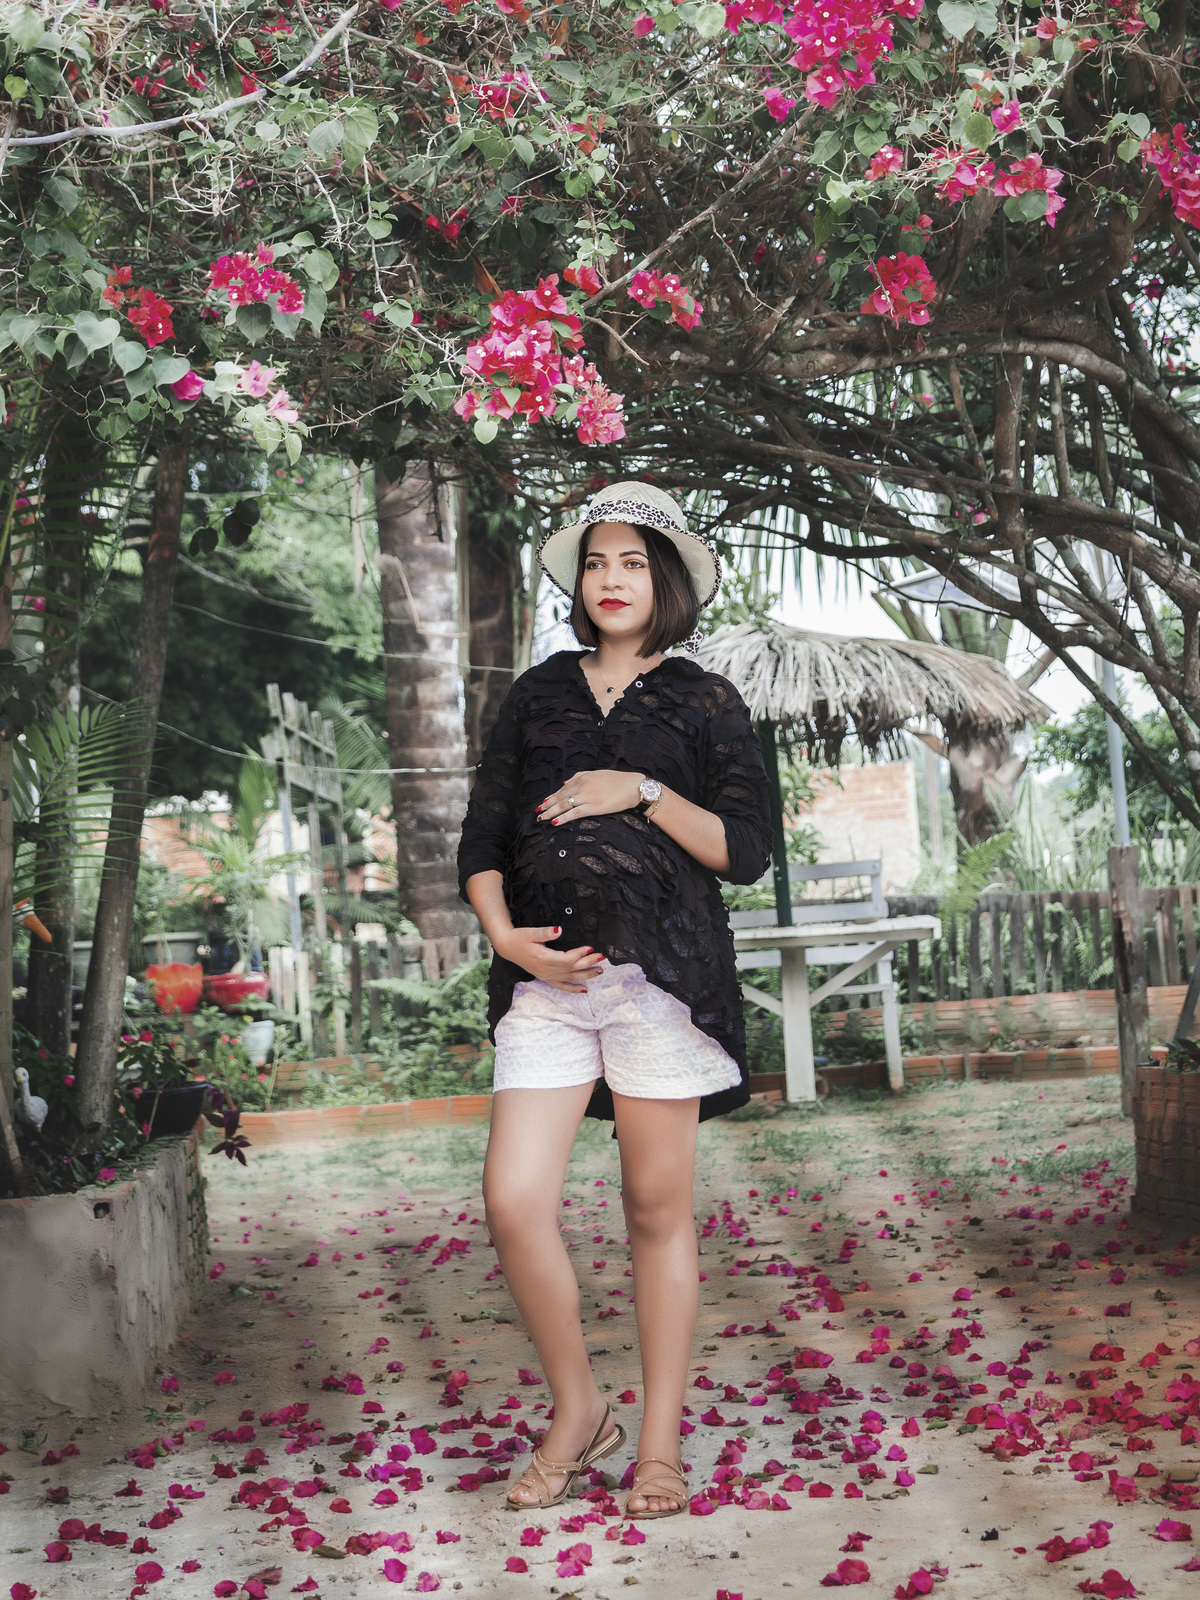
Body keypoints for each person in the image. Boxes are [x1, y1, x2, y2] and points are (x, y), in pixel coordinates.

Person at [457, 482, 772, 1519]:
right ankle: (580, 1409)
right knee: (513, 1199)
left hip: (659, 986)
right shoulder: (537, 693)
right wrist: (504, 936)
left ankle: (661, 1447)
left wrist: (639, 789)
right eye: (596, 561)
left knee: (654, 1210)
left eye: (633, 561)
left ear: (665, 579)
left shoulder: (706, 701)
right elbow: (484, 833)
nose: (611, 578)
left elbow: (744, 850)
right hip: (547, 984)